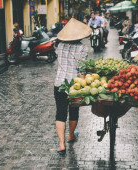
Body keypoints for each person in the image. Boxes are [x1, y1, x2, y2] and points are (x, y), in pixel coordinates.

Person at [54, 18, 91, 155]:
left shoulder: (60, 46)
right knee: (74, 111)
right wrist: (83, 87)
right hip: (74, 85)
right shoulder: (82, 48)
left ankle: (61, 145)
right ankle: (71, 135)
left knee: (60, 113)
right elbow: (82, 70)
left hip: (59, 83)